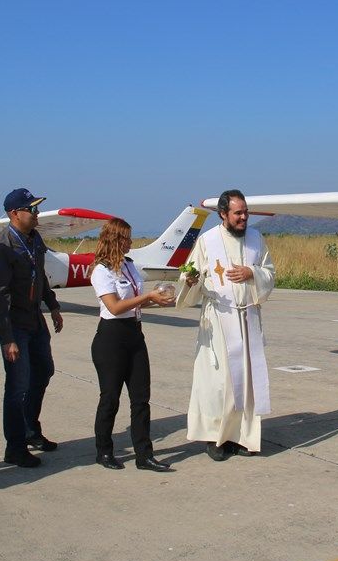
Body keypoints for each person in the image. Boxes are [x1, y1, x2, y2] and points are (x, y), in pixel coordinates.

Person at [177, 189, 276, 461]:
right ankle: (215, 438)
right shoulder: (207, 241)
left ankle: (242, 437)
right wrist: (189, 281)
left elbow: (270, 273)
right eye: (238, 213)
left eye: (246, 212)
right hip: (219, 321)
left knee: (246, 380)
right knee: (220, 383)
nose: (244, 217)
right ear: (223, 214)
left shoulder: (256, 239)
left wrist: (251, 272)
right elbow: (191, 275)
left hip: (247, 319)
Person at [0, 188, 64, 468]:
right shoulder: (1, 247)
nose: (37, 213)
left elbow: (39, 274)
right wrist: (7, 338)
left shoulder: (34, 238)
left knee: (43, 371)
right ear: (14, 213)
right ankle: (15, 447)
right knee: (18, 385)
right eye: (32, 209)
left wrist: (53, 305)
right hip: (14, 324)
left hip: (35, 319)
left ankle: (31, 430)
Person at [89, 218, 173, 471]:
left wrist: (155, 299)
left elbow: (135, 301)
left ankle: (144, 455)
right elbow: (115, 307)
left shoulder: (129, 265)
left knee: (141, 398)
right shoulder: (101, 271)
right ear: (115, 240)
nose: (130, 242)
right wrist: (148, 296)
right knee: (110, 398)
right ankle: (104, 451)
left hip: (134, 334)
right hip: (111, 338)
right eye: (126, 238)